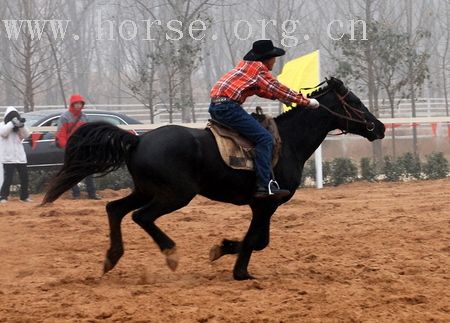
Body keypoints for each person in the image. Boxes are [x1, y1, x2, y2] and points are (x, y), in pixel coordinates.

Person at [209, 39, 320, 199]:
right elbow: (278, 88)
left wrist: (278, 98)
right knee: (265, 139)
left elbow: (260, 90)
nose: (275, 61)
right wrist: (306, 102)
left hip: (217, 106)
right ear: (267, 59)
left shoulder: (246, 67)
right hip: (228, 107)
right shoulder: (259, 70)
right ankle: (264, 185)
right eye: (274, 58)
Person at [55, 94, 101, 200]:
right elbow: (61, 134)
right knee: (72, 172)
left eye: (80, 103)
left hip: (84, 149)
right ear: (72, 104)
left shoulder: (84, 117)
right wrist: (67, 147)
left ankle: (92, 193)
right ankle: (76, 194)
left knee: (88, 171)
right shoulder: (65, 117)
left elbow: (89, 133)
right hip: (71, 149)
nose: (79, 105)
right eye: (76, 103)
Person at [0, 107, 32, 203]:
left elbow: (26, 135)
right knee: (8, 178)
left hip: (20, 157)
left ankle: (24, 197)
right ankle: (3, 197)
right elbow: (3, 133)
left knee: (24, 177)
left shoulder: (18, 129)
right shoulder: (2, 125)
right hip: (8, 157)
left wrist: (21, 125)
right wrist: (12, 123)